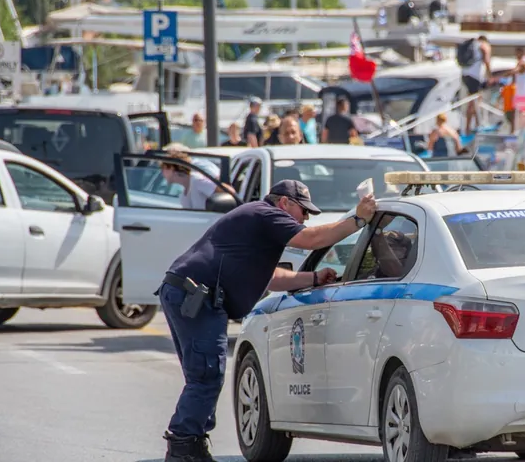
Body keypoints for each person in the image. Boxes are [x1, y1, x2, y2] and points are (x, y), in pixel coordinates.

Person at [157, 180, 377, 461]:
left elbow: (271, 277)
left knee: (203, 376)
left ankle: (193, 444)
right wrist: (358, 219)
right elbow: (312, 239)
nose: (304, 218)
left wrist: (313, 278)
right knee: (206, 375)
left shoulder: (257, 220)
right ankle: (183, 447)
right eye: (303, 211)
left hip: (187, 293)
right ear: (284, 203)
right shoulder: (266, 214)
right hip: (196, 296)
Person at [160, 149, 235, 210]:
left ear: (172, 168)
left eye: (163, 168)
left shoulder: (197, 180)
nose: (162, 172)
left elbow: (229, 191)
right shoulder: (183, 194)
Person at [459, 35, 491, 134]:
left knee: (475, 100)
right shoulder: (484, 45)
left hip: (465, 75)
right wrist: (489, 74)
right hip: (475, 76)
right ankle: (470, 127)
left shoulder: (472, 45)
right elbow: (486, 60)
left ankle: (476, 124)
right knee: (474, 102)